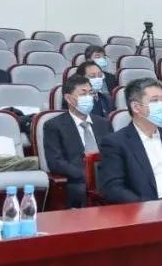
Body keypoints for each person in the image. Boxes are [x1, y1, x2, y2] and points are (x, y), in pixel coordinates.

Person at [98, 78, 162, 203]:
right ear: (136, 107)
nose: (161, 105)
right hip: (147, 207)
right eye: (154, 100)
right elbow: (113, 188)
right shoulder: (116, 142)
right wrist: (146, 207)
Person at [42, 75, 113, 208]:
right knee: (81, 191)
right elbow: (55, 162)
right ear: (69, 98)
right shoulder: (54, 126)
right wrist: (87, 175)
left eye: (90, 93)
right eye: (83, 94)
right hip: (78, 179)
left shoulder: (103, 123)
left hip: (107, 177)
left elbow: (113, 153)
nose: (89, 97)